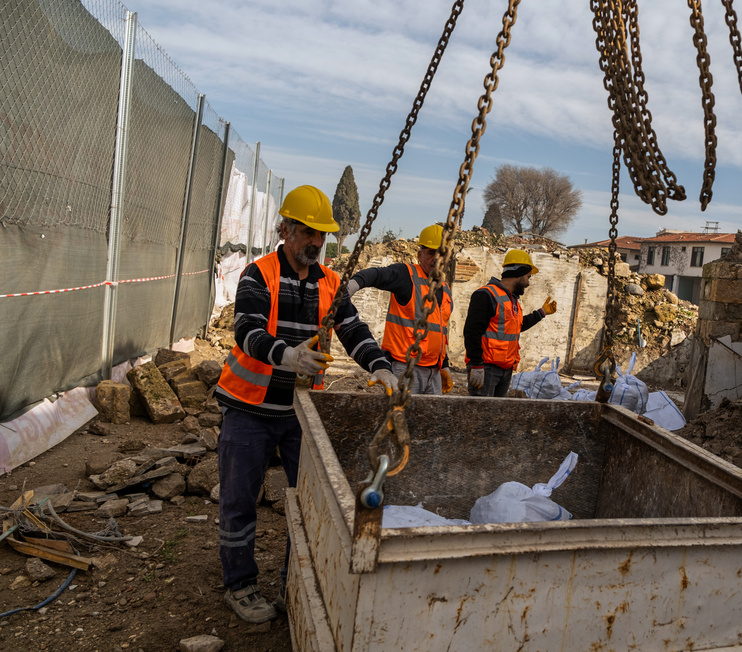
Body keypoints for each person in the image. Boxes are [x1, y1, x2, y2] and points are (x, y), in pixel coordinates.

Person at [214, 185, 398, 624]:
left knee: (308, 502)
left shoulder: (331, 283)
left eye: (322, 236)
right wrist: (289, 355)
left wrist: (380, 365)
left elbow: (354, 330)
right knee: (240, 501)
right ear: (286, 229)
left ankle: (290, 582)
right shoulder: (258, 275)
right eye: (307, 232)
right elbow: (248, 332)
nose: (316, 242)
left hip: (299, 412)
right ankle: (239, 585)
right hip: (248, 407)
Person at [347, 224, 453, 394]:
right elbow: (376, 275)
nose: (436, 259)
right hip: (405, 369)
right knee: (400, 418)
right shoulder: (407, 275)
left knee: (432, 419)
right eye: (431, 253)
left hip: (433, 372)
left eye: (441, 254)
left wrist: (445, 365)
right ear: (420, 255)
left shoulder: (445, 289)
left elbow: (439, 332)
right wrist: (351, 286)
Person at [463, 249, 557, 397]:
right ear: (519, 273)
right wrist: (476, 365)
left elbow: (517, 326)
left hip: (505, 370)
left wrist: (541, 313)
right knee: (481, 416)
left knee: (497, 416)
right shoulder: (486, 295)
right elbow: (471, 331)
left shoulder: (511, 300)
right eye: (528, 277)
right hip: (486, 369)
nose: (528, 283)